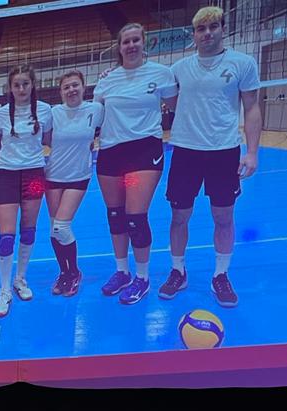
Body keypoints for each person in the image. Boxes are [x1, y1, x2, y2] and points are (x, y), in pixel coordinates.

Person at [159, 5, 262, 308]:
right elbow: (168, 99)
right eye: (201, 29)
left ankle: (220, 274)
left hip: (224, 152)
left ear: (222, 29)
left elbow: (252, 108)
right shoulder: (179, 68)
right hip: (186, 151)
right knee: (179, 216)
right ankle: (178, 271)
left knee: (223, 217)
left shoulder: (242, 63)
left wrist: (252, 152)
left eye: (213, 27)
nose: (207, 33)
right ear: (193, 34)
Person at [93, 23, 178, 304]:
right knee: (115, 215)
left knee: (135, 217)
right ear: (119, 47)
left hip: (144, 151)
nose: (130, 46)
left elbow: (179, 107)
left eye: (135, 40)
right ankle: (122, 271)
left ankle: (142, 277)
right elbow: (96, 116)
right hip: (110, 152)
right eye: (125, 41)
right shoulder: (107, 80)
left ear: (144, 43)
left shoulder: (161, 74)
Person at [0, 66, 52, 318]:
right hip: (6, 174)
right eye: (16, 84)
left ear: (32, 85)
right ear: (10, 87)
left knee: (28, 230)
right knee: (6, 236)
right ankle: (4, 290)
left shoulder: (46, 111)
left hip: (35, 175)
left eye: (25, 84)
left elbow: (49, 139)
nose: (20, 89)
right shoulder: (0, 114)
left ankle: (20, 279)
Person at [44, 71, 103, 297]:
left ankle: (75, 272)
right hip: (53, 176)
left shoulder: (95, 110)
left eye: (75, 85)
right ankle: (64, 272)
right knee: (54, 229)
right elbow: (43, 136)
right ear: (60, 92)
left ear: (83, 87)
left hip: (78, 176)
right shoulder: (53, 113)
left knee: (62, 227)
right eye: (66, 87)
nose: (71, 90)